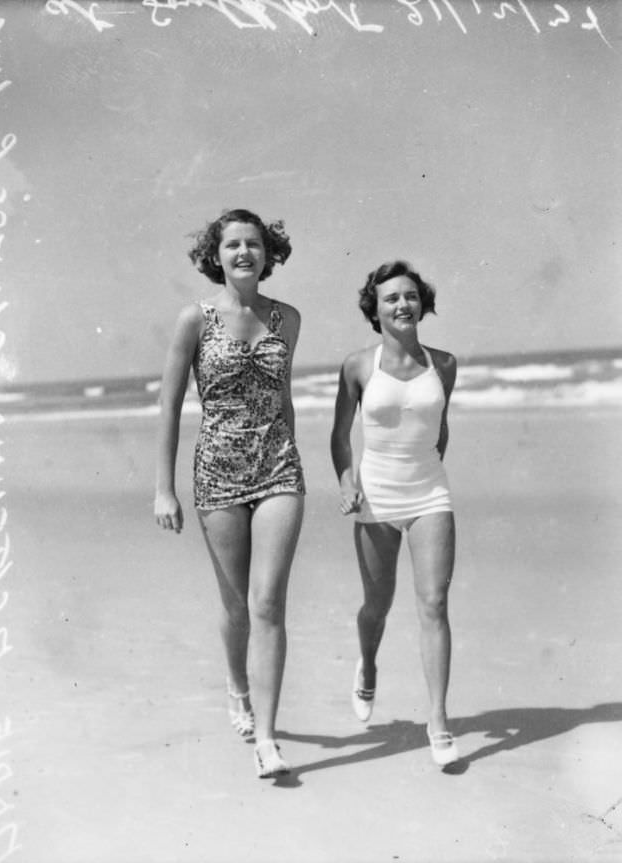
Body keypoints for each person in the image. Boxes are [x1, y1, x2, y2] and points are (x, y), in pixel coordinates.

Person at [154, 208, 305, 778]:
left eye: (255, 244)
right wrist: (164, 489)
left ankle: (267, 738)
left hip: (278, 468)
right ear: (215, 256)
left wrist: (289, 450)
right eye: (233, 245)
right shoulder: (195, 318)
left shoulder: (287, 318)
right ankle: (236, 683)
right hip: (217, 471)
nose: (245, 253)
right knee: (237, 604)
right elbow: (170, 404)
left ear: (269, 254)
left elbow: (284, 395)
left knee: (269, 602)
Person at [330, 259, 459, 767]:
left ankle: (439, 723)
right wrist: (347, 484)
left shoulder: (445, 364)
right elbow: (340, 436)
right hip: (376, 497)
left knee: (435, 604)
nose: (402, 304)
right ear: (375, 309)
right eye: (391, 298)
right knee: (376, 606)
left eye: (410, 296)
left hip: (430, 493)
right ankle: (366, 665)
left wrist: (426, 475)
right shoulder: (358, 366)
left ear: (421, 302)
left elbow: (438, 429)